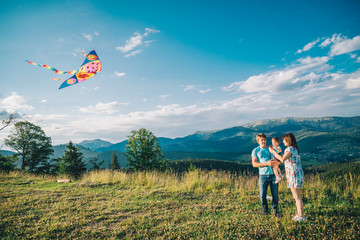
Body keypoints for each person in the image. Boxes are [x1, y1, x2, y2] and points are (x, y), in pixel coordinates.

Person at [269, 133, 306, 221]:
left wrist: (273, 152)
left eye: (284, 140)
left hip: (293, 175)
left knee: (297, 197)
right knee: (297, 196)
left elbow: (282, 159)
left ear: (288, 140)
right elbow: (285, 161)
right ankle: (299, 214)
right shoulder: (294, 149)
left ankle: (301, 216)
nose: (282, 141)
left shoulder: (290, 149)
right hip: (296, 174)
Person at [251, 133, 280, 216]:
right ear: (258, 141)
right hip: (263, 175)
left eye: (264, 139)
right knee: (262, 195)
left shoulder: (271, 148)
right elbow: (254, 164)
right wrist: (267, 163)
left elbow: (279, 157)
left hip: (273, 175)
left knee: (275, 195)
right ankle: (265, 211)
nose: (264, 141)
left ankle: (275, 211)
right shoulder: (256, 150)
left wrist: (276, 163)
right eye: (262, 140)